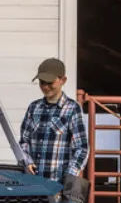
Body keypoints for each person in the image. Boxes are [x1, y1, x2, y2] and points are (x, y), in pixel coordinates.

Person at [19, 58, 89, 187]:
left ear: (63, 80)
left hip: (58, 184)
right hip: (32, 184)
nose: (45, 87)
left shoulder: (72, 109)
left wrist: (70, 177)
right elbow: (23, 141)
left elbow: (81, 148)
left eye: (50, 82)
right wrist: (27, 162)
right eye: (42, 82)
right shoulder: (33, 108)